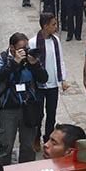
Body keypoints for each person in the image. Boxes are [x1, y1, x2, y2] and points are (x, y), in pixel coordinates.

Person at [0, 32, 48, 165]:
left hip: (28, 107)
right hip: (8, 108)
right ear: (12, 48)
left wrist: (35, 65)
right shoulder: (2, 58)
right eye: (21, 48)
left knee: (28, 146)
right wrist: (14, 63)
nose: (25, 51)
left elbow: (44, 78)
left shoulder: (30, 60)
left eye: (27, 47)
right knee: (6, 145)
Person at [32, 13, 68, 148]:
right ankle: (36, 136)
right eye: (53, 24)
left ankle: (48, 137)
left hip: (53, 83)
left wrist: (63, 79)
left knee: (51, 113)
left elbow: (60, 60)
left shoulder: (55, 40)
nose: (55, 27)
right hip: (39, 85)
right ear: (45, 26)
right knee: (38, 114)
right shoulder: (33, 42)